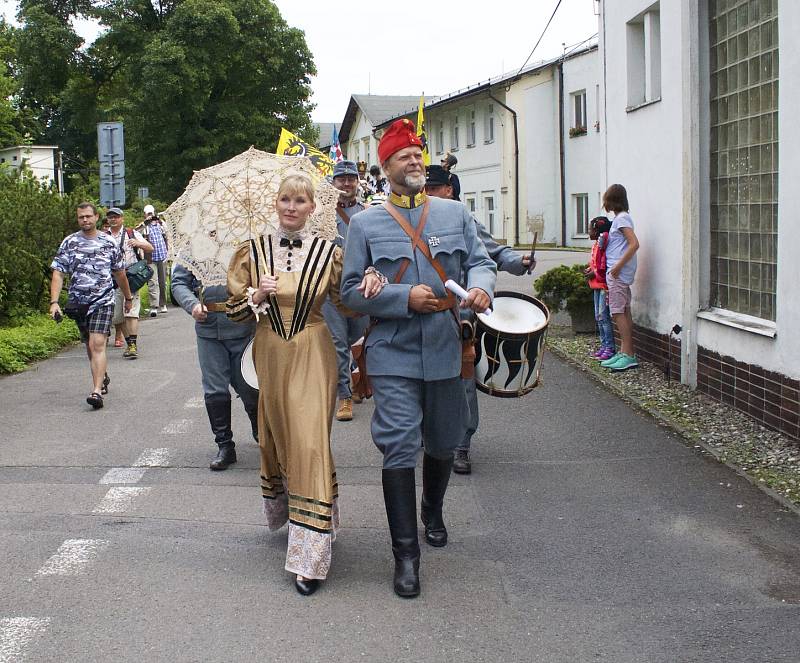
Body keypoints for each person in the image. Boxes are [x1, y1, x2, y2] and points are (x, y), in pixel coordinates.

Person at [341, 119, 496, 598]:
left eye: (417, 154)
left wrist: (480, 289)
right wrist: (404, 297)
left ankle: (433, 507)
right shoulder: (366, 223)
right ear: (385, 167)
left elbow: (481, 261)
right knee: (400, 443)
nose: (413, 161)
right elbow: (349, 292)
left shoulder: (454, 213)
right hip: (393, 352)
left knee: (445, 441)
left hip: (448, 344)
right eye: (402, 156)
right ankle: (405, 556)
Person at [226, 173, 384, 596]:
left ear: (313, 207)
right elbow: (235, 312)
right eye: (285, 200)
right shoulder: (252, 251)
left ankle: (309, 558)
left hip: (314, 350)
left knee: (310, 441)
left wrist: (372, 277)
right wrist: (255, 297)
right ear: (275, 204)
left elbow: (348, 302)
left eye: (300, 201)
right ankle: (304, 517)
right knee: (276, 438)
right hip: (270, 352)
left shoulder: (330, 253)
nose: (292, 207)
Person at [424, 164, 534, 475]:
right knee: (425, 380)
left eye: (434, 188)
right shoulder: (411, 220)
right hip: (421, 313)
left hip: (460, 316)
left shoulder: (464, 219)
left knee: (463, 380)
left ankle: (461, 444)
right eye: (425, 189)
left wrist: (520, 261)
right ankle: (429, 434)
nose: (428, 194)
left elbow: (495, 254)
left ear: (449, 190)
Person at [171, 263, 259, 471]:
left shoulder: (246, 243)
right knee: (215, 391)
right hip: (208, 329)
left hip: (244, 327)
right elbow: (178, 282)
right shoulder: (194, 246)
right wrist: (192, 304)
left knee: (250, 387)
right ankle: (224, 445)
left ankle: (260, 426)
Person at [49, 203, 134, 409]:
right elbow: (58, 273)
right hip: (79, 302)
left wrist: (128, 297)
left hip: (103, 300)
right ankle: (101, 374)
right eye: (81, 217)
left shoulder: (108, 242)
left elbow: (119, 272)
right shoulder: (70, 242)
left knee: (97, 343)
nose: (85, 220)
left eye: (88, 216)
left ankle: (96, 391)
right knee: (89, 344)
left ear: (97, 217)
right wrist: (54, 302)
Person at [321, 160, 369, 422]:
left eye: (351, 179)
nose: (347, 183)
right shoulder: (322, 216)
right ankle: (344, 395)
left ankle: (359, 381)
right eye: (342, 179)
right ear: (334, 182)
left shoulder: (368, 213)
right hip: (332, 291)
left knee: (359, 340)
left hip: (361, 288)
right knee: (338, 343)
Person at [599, 184, 640, 372]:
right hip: (619, 274)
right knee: (624, 310)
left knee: (616, 312)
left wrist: (617, 267)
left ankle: (628, 355)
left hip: (617, 274)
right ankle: (625, 352)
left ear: (612, 200)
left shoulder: (622, 219)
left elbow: (634, 244)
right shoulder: (621, 219)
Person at [106, 207, 153, 359]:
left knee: (131, 312)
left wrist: (137, 243)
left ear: (122, 218)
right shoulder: (103, 237)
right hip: (111, 280)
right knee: (117, 317)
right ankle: (129, 342)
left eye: (116, 217)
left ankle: (132, 345)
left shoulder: (131, 233)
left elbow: (150, 247)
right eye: (110, 217)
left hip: (130, 277)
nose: (113, 219)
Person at [585, 216, 615, 361]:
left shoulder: (603, 243)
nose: (588, 233)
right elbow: (596, 262)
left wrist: (594, 272)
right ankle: (604, 345)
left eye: (590, 229)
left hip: (603, 284)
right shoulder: (597, 244)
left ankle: (609, 347)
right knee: (598, 316)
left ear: (597, 230)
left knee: (603, 316)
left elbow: (604, 264)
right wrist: (590, 269)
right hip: (596, 283)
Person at [137, 204, 170, 316]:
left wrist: (159, 219)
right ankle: (154, 306)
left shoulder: (161, 224)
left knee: (162, 281)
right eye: (148, 214)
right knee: (152, 282)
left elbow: (168, 232)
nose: (150, 216)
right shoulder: (144, 226)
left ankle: (163, 304)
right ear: (145, 214)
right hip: (150, 258)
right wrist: (145, 222)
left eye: (151, 213)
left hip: (163, 256)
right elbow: (136, 232)